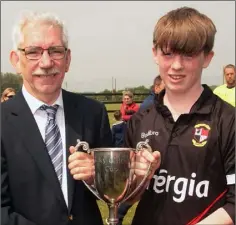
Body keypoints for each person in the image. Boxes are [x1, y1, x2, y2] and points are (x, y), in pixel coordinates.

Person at [125, 7, 235, 225]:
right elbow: (127, 196)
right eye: (168, 53)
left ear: (207, 58)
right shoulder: (140, 120)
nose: (176, 65)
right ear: (154, 53)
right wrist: (138, 179)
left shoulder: (228, 120)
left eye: (188, 54)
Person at [1, 11, 113, 225]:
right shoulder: (3, 122)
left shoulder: (93, 113)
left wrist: (96, 175)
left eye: (55, 51)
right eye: (33, 52)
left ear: (67, 59)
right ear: (16, 60)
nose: (46, 62)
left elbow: (111, 191)